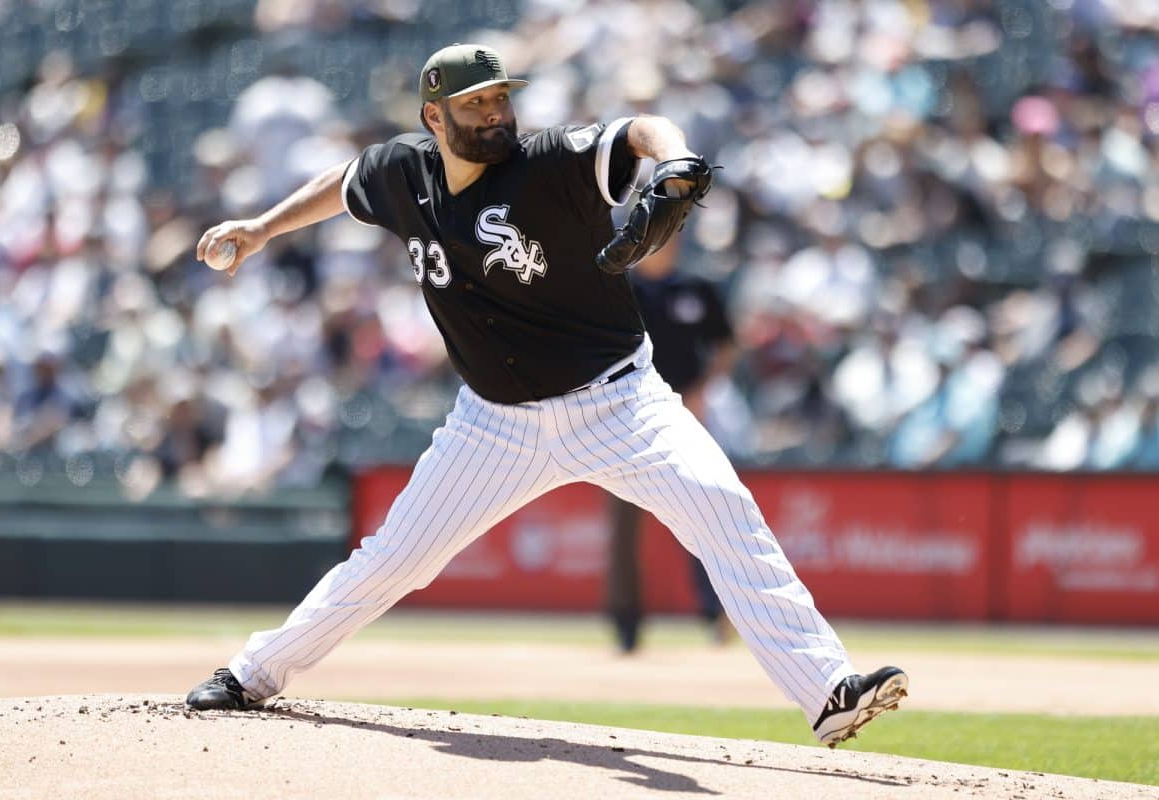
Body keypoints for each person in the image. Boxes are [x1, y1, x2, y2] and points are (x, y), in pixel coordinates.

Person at [184, 43, 907, 748]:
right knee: (394, 560)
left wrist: (677, 158)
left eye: (503, 97)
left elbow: (638, 131)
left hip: (620, 403)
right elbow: (346, 182)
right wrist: (260, 228)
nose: (498, 113)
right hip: (492, 423)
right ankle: (253, 674)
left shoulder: (549, 162)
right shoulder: (402, 171)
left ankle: (827, 692)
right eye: (478, 104)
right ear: (435, 118)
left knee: (723, 511)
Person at [605, 237, 737, 653]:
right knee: (624, 524)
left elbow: (726, 343)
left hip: (685, 414)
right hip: (628, 418)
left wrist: (703, 389)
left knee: (703, 510)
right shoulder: (621, 288)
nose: (666, 246)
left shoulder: (696, 289)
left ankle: (715, 611)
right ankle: (626, 622)